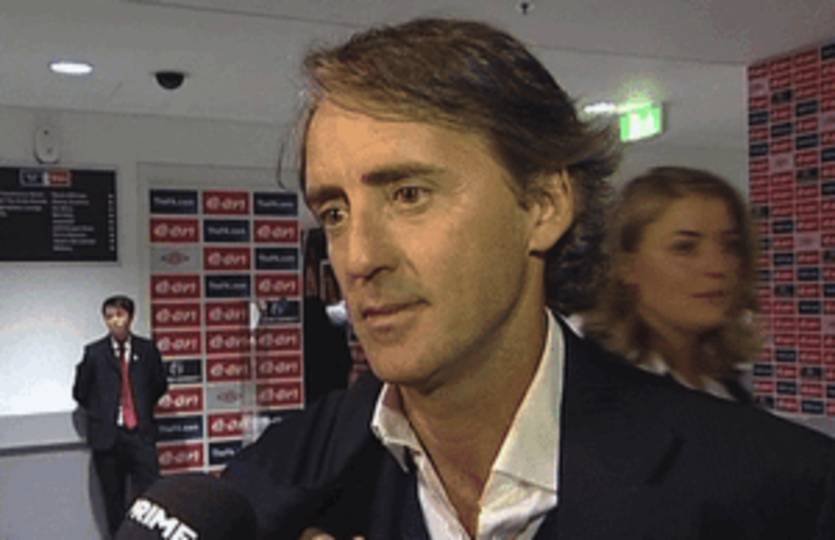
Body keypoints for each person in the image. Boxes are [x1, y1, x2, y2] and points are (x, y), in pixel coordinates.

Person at [213, 18, 835, 539]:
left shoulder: (778, 494)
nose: (357, 258)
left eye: (408, 194)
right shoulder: (269, 489)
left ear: (542, 206)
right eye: (335, 213)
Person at [580, 166, 758, 402]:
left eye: (730, 245)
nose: (718, 267)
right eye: (685, 248)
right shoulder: (599, 388)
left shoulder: (726, 386)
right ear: (626, 266)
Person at [73, 294, 168, 537]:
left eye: (120, 315)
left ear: (130, 317)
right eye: (109, 317)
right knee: (113, 501)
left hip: (140, 435)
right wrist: (103, 412)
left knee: (151, 495)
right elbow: (81, 392)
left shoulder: (147, 350)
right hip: (108, 438)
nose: (115, 321)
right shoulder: (94, 353)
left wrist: (140, 409)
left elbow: (158, 385)